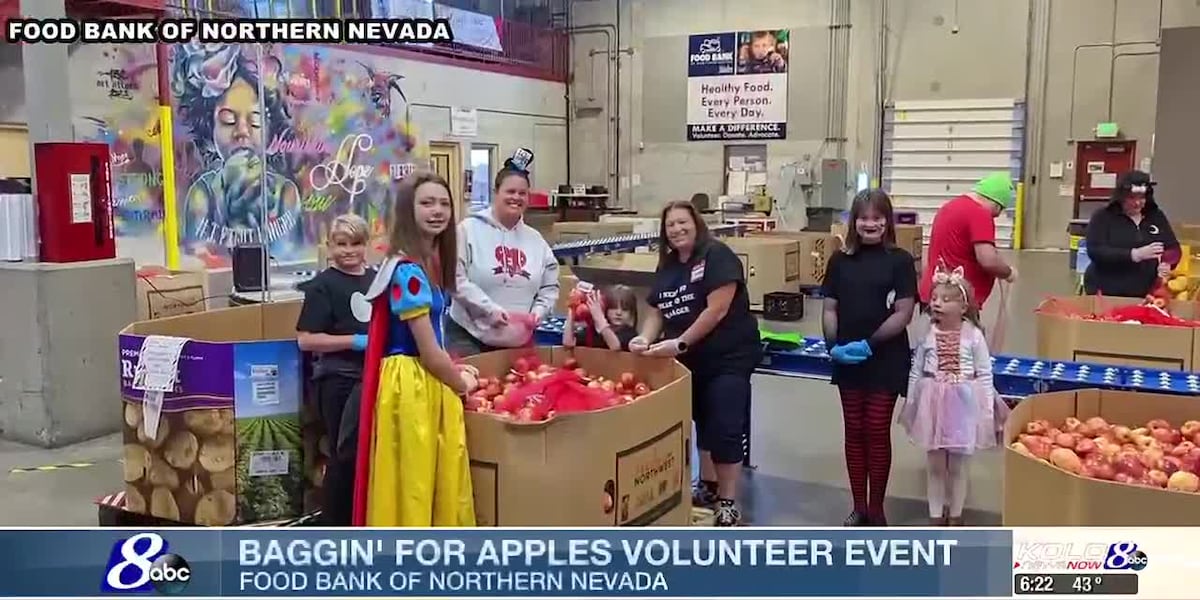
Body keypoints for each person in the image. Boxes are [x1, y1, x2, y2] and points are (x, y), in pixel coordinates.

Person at [351, 172, 479, 527]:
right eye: (427, 203)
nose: (437, 211)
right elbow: (428, 351)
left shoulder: (425, 265)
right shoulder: (407, 271)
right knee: (415, 483)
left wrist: (455, 371)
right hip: (412, 385)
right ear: (409, 210)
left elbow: (436, 345)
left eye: (444, 203)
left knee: (423, 478)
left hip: (421, 379)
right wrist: (461, 383)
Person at [630, 199, 761, 526]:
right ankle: (707, 485)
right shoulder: (669, 264)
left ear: (696, 223)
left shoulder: (717, 256)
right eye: (670, 225)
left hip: (727, 357)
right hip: (689, 361)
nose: (676, 229)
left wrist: (680, 342)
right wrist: (645, 338)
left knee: (725, 427)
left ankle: (728, 501)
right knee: (701, 420)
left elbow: (715, 310)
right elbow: (657, 310)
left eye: (682, 222)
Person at [821, 189, 917, 526]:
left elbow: (904, 312)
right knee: (854, 429)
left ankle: (876, 509)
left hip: (885, 357)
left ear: (887, 221)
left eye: (877, 217)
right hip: (846, 359)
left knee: (876, 429)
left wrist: (869, 344)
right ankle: (858, 506)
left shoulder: (901, 261)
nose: (870, 224)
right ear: (854, 221)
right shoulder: (839, 260)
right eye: (864, 217)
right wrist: (832, 344)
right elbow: (830, 306)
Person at [899, 265, 1004, 526]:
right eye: (934, 298)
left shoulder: (974, 336)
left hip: (963, 406)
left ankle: (955, 514)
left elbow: (984, 373)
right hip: (932, 403)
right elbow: (916, 369)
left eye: (946, 300)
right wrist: (911, 403)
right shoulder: (928, 334)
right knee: (935, 464)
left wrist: (987, 412)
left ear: (964, 306)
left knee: (957, 466)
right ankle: (935, 515)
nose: (937, 304)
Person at [294, 213, 374, 526]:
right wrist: (354, 341)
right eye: (341, 244)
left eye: (356, 243)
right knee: (344, 456)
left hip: (373, 377)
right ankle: (335, 525)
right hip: (338, 380)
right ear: (329, 246)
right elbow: (306, 340)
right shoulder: (322, 286)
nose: (349, 250)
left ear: (367, 245)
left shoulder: (375, 279)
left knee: (366, 455)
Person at [448, 150, 559, 356]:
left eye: (522, 193)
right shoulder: (467, 230)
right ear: (495, 192)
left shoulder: (536, 241)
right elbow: (455, 280)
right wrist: (489, 310)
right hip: (469, 337)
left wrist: (538, 313)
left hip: (518, 341)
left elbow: (550, 286)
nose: (516, 197)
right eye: (510, 191)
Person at [919, 172, 1017, 310]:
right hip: (956, 303)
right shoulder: (980, 213)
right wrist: (1008, 273)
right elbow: (988, 260)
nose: (996, 216)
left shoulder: (950, 206)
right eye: (998, 212)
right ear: (996, 204)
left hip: (933, 294)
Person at [1083, 170, 1180, 297]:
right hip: (1107, 290)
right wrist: (1134, 254)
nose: (1138, 203)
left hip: (1145, 292)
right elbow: (1095, 251)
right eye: (1132, 198)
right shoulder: (1103, 217)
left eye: (1142, 198)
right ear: (1121, 197)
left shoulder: (1156, 216)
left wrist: (1167, 263)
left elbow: (1173, 247)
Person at [562, 285, 639, 351]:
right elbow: (568, 343)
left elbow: (615, 346)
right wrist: (572, 309)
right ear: (606, 308)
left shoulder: (629, 334)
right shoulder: (593, 331)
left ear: (631, 313)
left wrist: (599, 317)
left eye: (625, 309)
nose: (618, 313)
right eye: (613, 308)